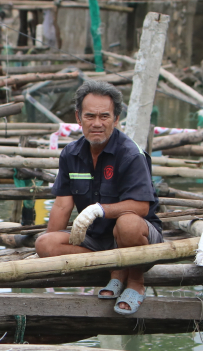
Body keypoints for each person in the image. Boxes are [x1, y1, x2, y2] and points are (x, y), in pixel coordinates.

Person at [34, 80, 163, 315]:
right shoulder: (71, 153)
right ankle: (115, 268)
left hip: (137, 238)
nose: (97, 123)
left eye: (104, 116)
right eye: (90, 116)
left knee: (128, 222)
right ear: (78, 117)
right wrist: (46, 258)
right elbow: (62, 205)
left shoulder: (130, 154)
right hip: (96, 240)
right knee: (45, 243)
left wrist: (99, 210)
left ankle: (135, 281)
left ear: (116, 119)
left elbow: (142, 207)